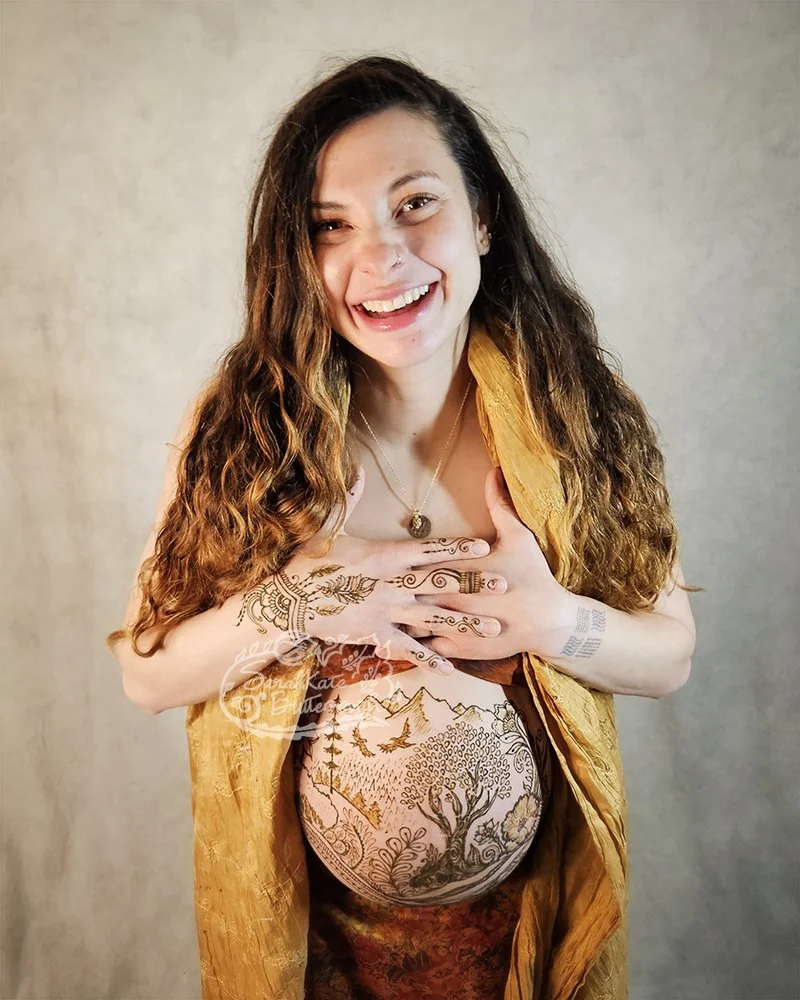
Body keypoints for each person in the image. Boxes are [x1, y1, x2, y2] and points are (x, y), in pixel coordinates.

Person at [107, 54, 699, 1000]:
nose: (381, 259)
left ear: (483, 217)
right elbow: (147, 674)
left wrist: (554, 623)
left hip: (530, 947)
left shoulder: (581, 414)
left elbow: (669, 658)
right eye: (330, 226)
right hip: (311, 961)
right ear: (296, 256)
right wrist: (302, 604)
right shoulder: (245, 431)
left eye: (415, 203)